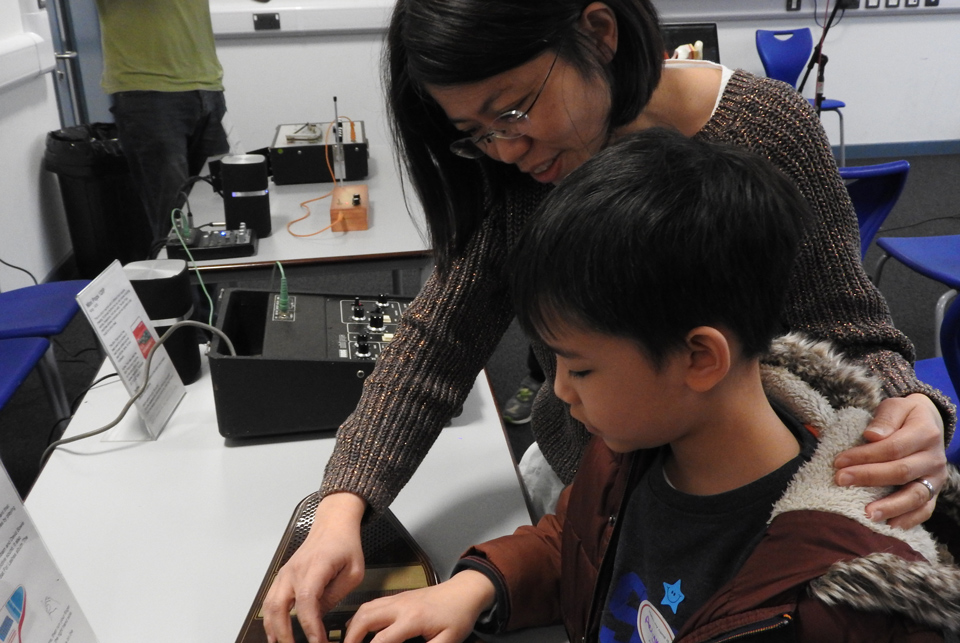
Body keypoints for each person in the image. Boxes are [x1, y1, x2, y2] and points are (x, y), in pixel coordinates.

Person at [262, 1, 954, 640]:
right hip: (606, 483)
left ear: (598, 31)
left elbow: (852, 336)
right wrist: (341, 505)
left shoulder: (764, 130)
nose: (504, 150)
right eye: (473, 134)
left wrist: (908, 409)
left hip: (742, 504)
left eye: (512, 112)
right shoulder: (514, 177)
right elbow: (434, 343)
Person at [343, 130, 960, 643]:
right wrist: (476, 586)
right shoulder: (630, 447)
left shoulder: (850, 602)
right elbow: (577, 543)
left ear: (699, 358)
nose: (558, 393)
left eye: (579, 368)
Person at [95, 0, 230, 250]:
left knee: (221, 210)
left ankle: (216, 289)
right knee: (174, 219)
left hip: (206, 87)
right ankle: (177, 289)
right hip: (148, 93)